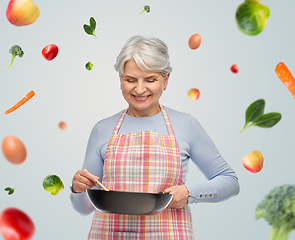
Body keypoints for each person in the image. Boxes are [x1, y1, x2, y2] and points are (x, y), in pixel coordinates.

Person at [70, 35, 240, 239]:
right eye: (130, 80)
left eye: (150, 80)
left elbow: (230, 182)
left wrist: (189, 193)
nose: (140, 89)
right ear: (120, 80)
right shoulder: (102, 129)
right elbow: (84, 209)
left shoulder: (186, 125)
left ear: (166, 80)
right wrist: (78, 188)